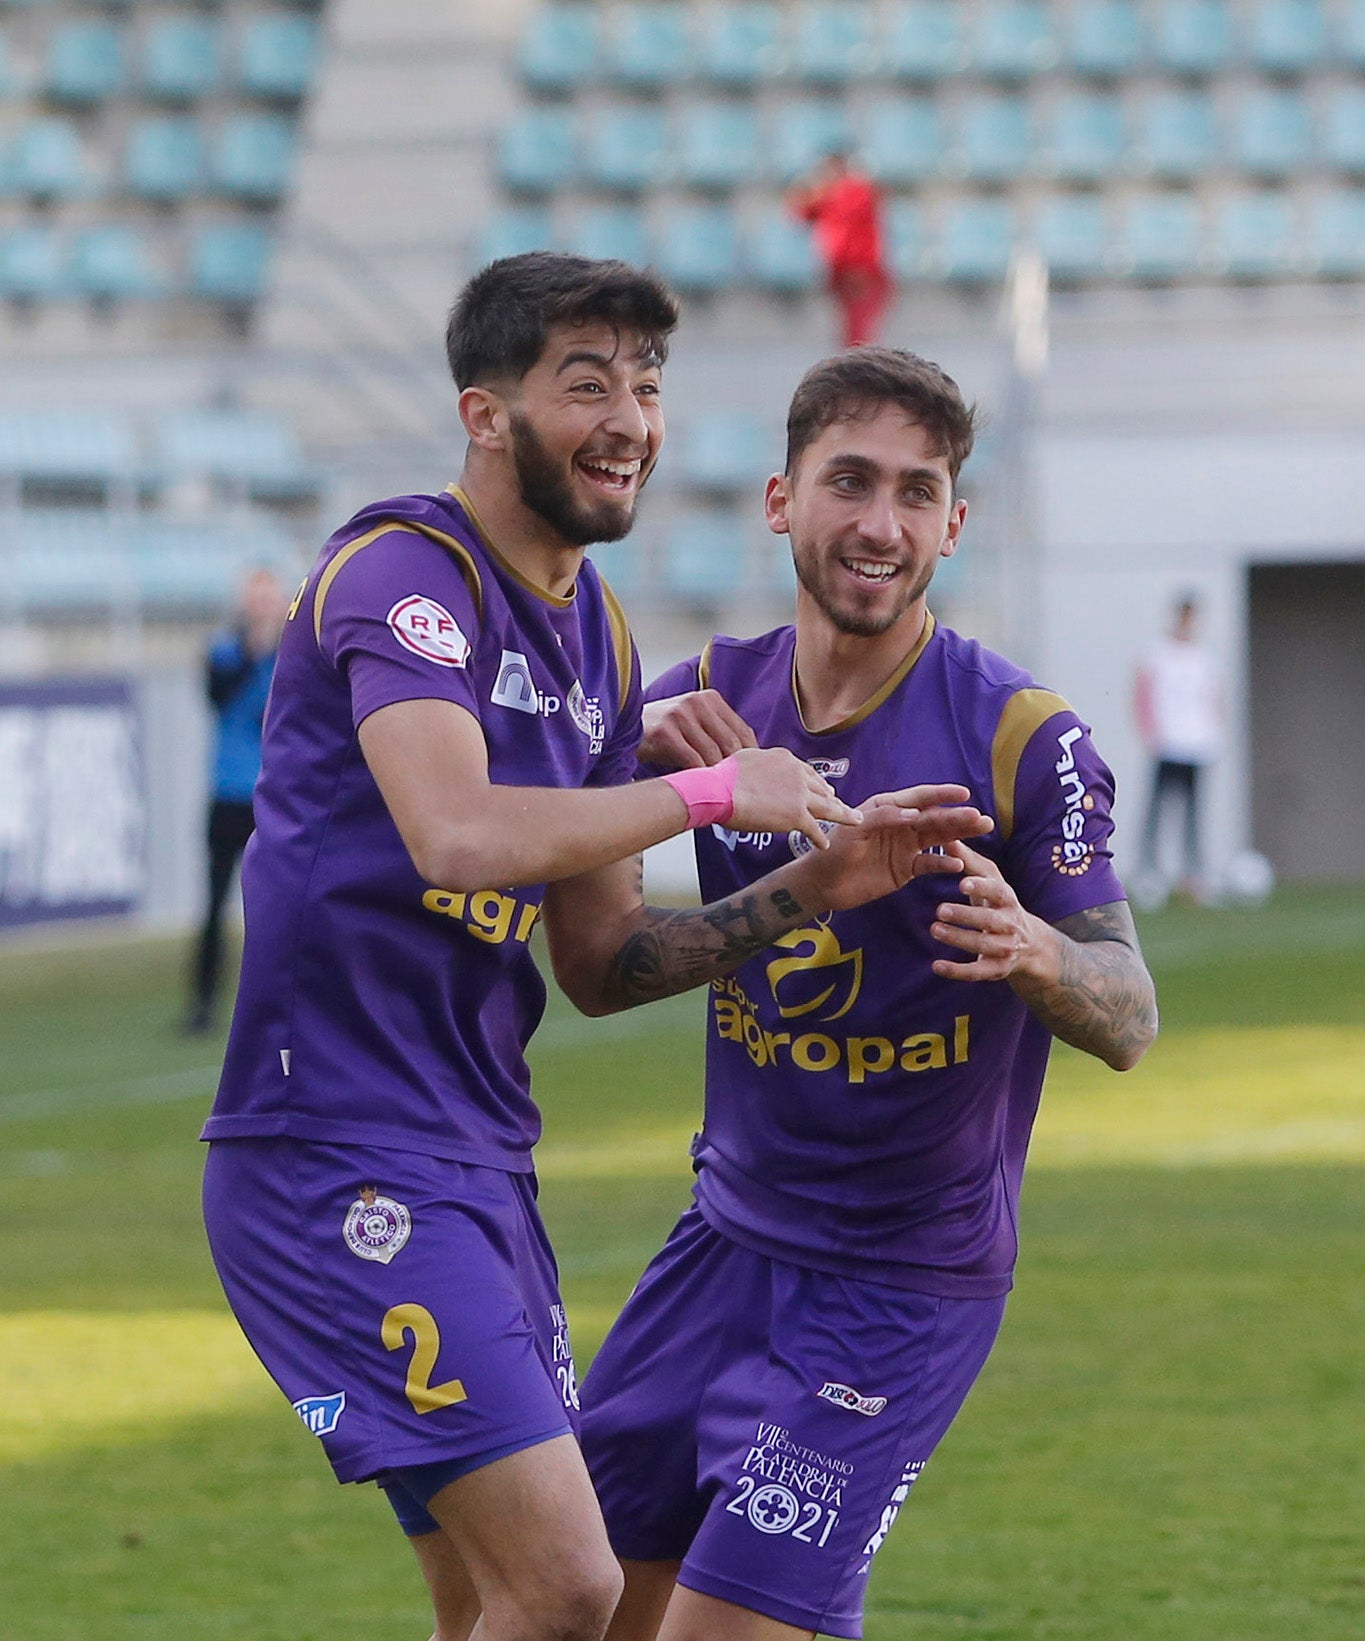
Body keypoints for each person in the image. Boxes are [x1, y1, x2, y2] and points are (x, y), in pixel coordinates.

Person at [199, 259, 994, 1641]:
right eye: (585, 382)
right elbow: (450, 832)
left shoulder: (595, 635)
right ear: (484, 412)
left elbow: (602, 962)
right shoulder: (403, 574)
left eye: (646, 384)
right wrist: (698, 792)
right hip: (330, 1154)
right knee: (570, 1586)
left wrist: (815, 883)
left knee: (497, 1604)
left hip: (482, 1163)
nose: (628, 416)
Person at [578, 346, 1160, 1641]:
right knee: (575, 1605)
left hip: (901, 1284)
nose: (879, 523)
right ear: (781, 499)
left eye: (915, 491)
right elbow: (599, 969)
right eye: (848, 480)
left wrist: (1035, 953)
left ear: (954, 523)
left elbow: (1126, 1012)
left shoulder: (1020, 736)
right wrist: (639, 776)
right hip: (717, 1249)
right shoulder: (699, 708)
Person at [184, 565, 288, 1034]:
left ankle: (280, 1007)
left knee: (280, 908)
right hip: (227, 794)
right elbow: (216, 696)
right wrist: (254, 649)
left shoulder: (293, 655)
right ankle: (203, 1006)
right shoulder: (223, 651)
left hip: (275, 795)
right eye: (256, 597)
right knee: (213, 904)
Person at [1134, 594, 1223, 902]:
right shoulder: (1158, 653)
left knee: (1193, 814)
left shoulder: (1203, 656)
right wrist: (1150, 733)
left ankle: (1193, 875)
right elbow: (1142, 693)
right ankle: (1150, 873)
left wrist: (1213, 733)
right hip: (1167, 743)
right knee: (1157, 810)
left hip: (1197, 744)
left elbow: (1212, 697)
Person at [787, 149, 893, 350]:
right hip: (841, 267)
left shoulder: (854, 190)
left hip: (860, 266)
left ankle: (859, 367)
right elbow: (799, 214)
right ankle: (855, 365)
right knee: (850, 325)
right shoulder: (830, 192)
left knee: (859, 324)